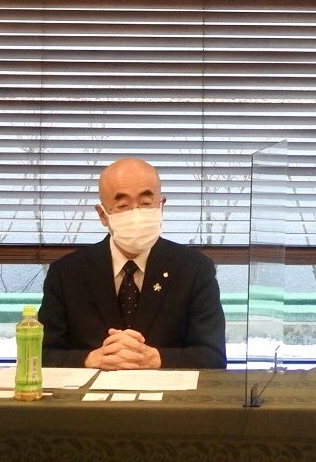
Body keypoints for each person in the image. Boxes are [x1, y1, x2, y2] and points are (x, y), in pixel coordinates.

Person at [39, 158, 227, 369]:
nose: (136, 214)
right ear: (102, 215)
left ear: (161, 206)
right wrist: (91, 359)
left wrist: (155, 358)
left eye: (146, 203)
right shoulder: (66, 273)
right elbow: (41, 354)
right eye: (123, 206)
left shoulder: (195, 269)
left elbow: (213, 356)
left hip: (163, 389)